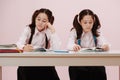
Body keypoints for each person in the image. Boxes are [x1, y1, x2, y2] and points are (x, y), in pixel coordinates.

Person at [16, 8, 61, 80]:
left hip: (44, 63)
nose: (40, 22)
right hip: (28, 63)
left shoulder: (48, 31)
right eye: (38, 19)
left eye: (44, 21)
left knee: (51, 70)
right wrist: (24, 47)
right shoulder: (29, 29)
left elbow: (57, 48)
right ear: (34, 19)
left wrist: (52, 30)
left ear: (48, 22)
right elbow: (18, 44)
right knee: (22, 69)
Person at [67, 9, 110, 80]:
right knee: (73, 68)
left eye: (90, 22)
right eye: (85, 22)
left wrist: (105, 46)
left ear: (93, 22)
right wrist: (74, 46)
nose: (88, 25)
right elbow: (69, 44)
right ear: (80, 22)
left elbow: (104, 42)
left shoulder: (96, 31)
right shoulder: (75, 31)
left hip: (94, 63)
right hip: (79, 64)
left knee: (100, 68)